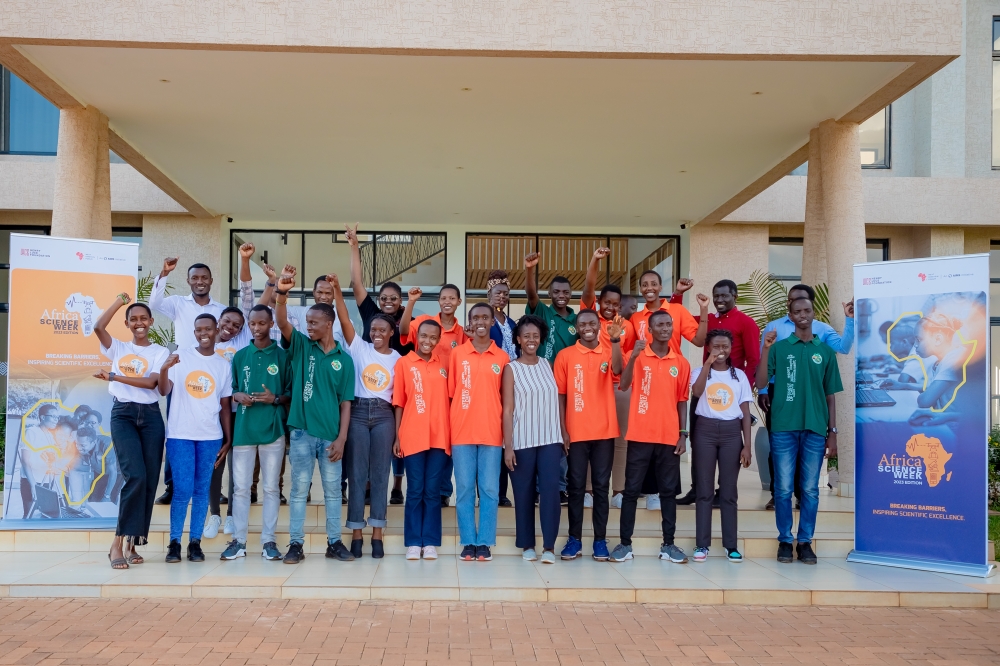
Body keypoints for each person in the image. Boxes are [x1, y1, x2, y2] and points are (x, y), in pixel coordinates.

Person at [274, 268, 356, 564]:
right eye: (307, 322)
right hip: (301, 433)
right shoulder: (300, 346)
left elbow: (346, 403)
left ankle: (334, 543)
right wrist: (282, 293)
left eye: (314, 322)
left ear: (329, 323)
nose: (308, 327)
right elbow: (281, 321)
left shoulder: (344, 361)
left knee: (333, 493)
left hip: (332, 437)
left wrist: (342, 438)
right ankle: (296, 544)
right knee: (299, 490)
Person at [757, 297, 843, 565]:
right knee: (782, 489)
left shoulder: (825, 352)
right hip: (783, 427)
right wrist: (765, 350)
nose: (802, 315)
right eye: (797, 312)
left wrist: (833, 432)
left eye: (807, 311)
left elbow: (830, 396)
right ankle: (785, 540)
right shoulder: (779, 348)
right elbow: (760, 381)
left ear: (813, 314)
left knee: (810, 489)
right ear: (790, 316)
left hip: (816, 429)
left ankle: (805, 542)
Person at [757, 284, 854, 510]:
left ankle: (802, 494)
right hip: (779, 394)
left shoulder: (821, 328)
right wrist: (762, 392)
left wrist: (849, 320)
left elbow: (843, 348)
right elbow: (764, 359)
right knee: (778, 445)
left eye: (803, 304)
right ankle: (777, 493)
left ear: (811, 306)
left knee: (806, 448)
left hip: (811, 394)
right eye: (792, 302)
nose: (799, 310)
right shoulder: (774, 326)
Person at [93, 293, 169, 569]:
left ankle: (133, 542)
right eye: (133, 319)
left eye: (143, 319)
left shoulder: (159, 352)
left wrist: (112, 376)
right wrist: (117, 303)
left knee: (149, 481)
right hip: (123, 414)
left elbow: (151, 384)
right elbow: (99, 327)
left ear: (150, 321)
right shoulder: (118, 348)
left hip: (150, 417)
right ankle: (116, 543)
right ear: (127, 323)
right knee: (134, 476)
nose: (139, 323)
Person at [610, 310, 691, 564]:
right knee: (631, 491)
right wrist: (633, 356)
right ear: (650, 330)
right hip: (640, 435)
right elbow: (623, 385)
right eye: (660, 325)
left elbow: (682, 402)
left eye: (669, 324)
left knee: (668, 493)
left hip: (668, 438)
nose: (666, 328)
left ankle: (669, 545)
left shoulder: (681, 362)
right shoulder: (637, 356)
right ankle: (625, 544)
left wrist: (683, 434)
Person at [674, 279, 760, 506]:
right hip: (703, 389)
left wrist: (743, 391)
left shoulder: (746, 323)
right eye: (717, 296)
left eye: (725, 296)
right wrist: (678, 294)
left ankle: (723, 492)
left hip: (732, 394)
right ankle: (698, 489)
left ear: (735, 296)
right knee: (699, 441)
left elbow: (753, 361)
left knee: (731, 446)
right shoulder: (708, 320)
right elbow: (677, 320)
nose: (720, 300)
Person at [332, 273, 400, 559]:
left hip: (384, 416)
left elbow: (399, 401)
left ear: (391, 332)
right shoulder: (359, 348)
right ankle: (357, 533)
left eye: (383, 330)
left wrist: (398, 432)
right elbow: (345, 318)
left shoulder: (398, 359)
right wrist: (337, 290)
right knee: (358, 474)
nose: (377, 334)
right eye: (373, 330)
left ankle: (377, 534)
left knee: (380, 475)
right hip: (358, 413)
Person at [149, 256, 226, 506]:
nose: (200, 282)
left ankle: (214, 487)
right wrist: (164, 273)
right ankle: (172, 486)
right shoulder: (177, 304)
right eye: (195, 278)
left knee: (213, 430)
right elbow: (154, 302)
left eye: (204, 278)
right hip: (181, 375)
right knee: (176, 429)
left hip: (210, 376)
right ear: (188, 280)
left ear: (211, 281)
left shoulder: (220, 309)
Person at [157, 314, 233, 564]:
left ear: (217, 330)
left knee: (201, 491)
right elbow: (164, 390)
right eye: (199, 328)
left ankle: (195, 543)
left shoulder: (223, 365)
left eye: (208, 329)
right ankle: (175, 543)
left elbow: (224, 405)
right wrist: (165, 368)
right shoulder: (181, 358)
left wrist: (228, 438)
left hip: (210, 436)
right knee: (182, 491)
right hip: (181, 435)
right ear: (194, 331)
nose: (204, 333)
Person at [345, 224, 412, 505]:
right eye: (384, 297)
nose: (387, 302)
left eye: (393, 299)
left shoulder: (405, 323)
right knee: (360, 449)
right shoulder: (371, 312)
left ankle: (393, 487)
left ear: (400, 302)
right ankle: (365, 489)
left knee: (388, 445)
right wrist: (354, 246)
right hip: (364, 386)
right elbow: (357, 283)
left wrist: (410, 305)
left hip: (390, 393)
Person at [221, 304, 291, 562]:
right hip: (244, 430)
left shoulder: (283, 357)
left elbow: (291, 396)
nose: (257, 328)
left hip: (272, 430)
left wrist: (274, 399)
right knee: (240, 488)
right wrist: (238, 395)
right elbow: (231, 391)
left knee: (271, 488)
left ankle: (268, 541)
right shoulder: (240, 356)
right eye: (252, 324)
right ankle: (239, 541)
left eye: (262, 323)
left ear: (271, 323)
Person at [554, 309, 623, 561]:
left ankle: (600, 540)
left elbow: (618, 370)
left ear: (599, 326)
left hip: (604, 431)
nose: (588, 327)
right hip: (576, 432)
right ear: (577, 327)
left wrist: (615, 342)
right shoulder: (565, 355)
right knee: (575, 487)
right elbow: (560, 395)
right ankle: (574, 539)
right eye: (583, 324)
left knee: (601, 488)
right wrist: (562, 430)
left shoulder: (608, 351)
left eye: (592, 323)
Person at [399, 284, 467, 507]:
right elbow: (403, 331)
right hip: (423, 390)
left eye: (452, 298)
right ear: (439, 301)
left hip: (449, 393)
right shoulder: (425, 322)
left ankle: (443, 491)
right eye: (443, 297)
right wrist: (411, 302)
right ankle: (429, 492)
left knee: (444, 444)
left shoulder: (461, 332)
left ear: (458, 301)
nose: (447, 301)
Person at [451, 302, 510, 562]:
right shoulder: (457, 354)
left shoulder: (502, 357)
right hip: (462, 432)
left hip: (491, 433)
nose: (481, 322)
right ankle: (468, 541)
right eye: (476, 318)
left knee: (488, 490)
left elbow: (505, 400)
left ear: (492, 322)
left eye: (486, 317)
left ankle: (484, 541)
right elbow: (452, 394)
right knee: (463, 489)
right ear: (470, 323)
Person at [502, 315, 563, 564]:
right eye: (526, 336)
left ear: (540, 338)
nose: (531, 340)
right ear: (518, 339)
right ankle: (527, 544)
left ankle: (549, 547)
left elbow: (557, 401)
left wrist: (563, 433)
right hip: (522, 440)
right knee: (524, 494)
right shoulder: (511, 368)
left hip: (550, 438)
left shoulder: (548, 364)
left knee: (551, 492)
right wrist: (508, 446)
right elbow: (507, 409)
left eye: (535, 336)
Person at [689, 329, 753, 563]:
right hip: (704, 431)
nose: (721, 351)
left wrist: (747, 445)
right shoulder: (699, 372)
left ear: (731, 347)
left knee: (728, 491)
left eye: (725, 346)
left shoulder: (740, 377)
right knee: (704, 491)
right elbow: (696, 392)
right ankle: (701, 544)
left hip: (731, 434)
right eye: (716, 346)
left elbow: (745, 412)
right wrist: (707, 364)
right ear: (708, 348)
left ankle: (731, 545)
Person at [393, 318, 451, 559]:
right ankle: (414, 542)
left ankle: (430, 542)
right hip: (412, 434)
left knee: (432, 490)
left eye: (433, 337)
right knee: (415, 489)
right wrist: (397, 436)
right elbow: (398, 402)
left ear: (439, 340)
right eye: (424, 336)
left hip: (440, 435)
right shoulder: (404, 363)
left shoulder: (444, 364)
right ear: (416, 337)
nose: (428, 341)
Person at [524, 253, 577, 505]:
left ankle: (558, 487)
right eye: (556, 291)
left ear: (570, 293)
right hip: (539, 382)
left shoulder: (575, 320)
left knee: (559, 436)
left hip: (565, 385)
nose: (561, 295)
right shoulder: (542, 311)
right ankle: (537, 488)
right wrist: (530, 270)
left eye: (565, 291)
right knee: (538, 435)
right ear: (550, 293)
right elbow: (531, 295)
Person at [204, 305, 248, 540]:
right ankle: (214, 515)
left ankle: (231, 514)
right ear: (219, 319)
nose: (230, 327)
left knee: (236, 465)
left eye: (236, 326)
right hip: (212, 414)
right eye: (227, 321)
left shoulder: (240, 346)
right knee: (215, 463)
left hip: (235, 413)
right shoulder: (204, 346)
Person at [486, 270, 517, 507]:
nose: (502, 297)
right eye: (498, 293)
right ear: (489, 294)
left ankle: (502, 492)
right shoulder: (484, 321)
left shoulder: (513, 323)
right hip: (491, 386)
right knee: (491, 440)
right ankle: (487, 492)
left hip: (512, 386)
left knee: (508, 438)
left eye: (505, 294)